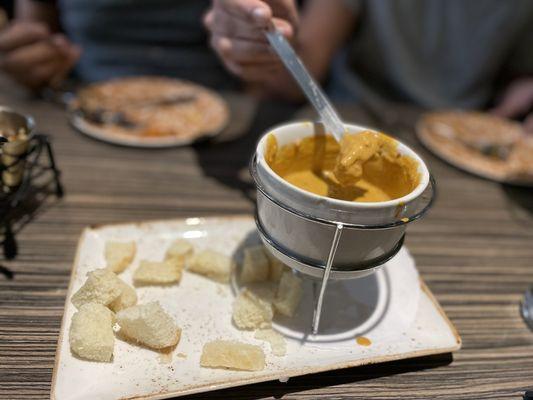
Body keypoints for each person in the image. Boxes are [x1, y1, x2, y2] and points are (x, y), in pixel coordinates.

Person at [205, 0, 533, 132]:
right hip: (346, 116)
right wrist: (265, 41)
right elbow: (293, 79)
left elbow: (519, 74)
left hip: (463, 133)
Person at [0, 0, 238, 90]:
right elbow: (34, 33)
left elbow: (271, 80)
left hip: (228, 105)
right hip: (82, 99)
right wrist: (31, 59)